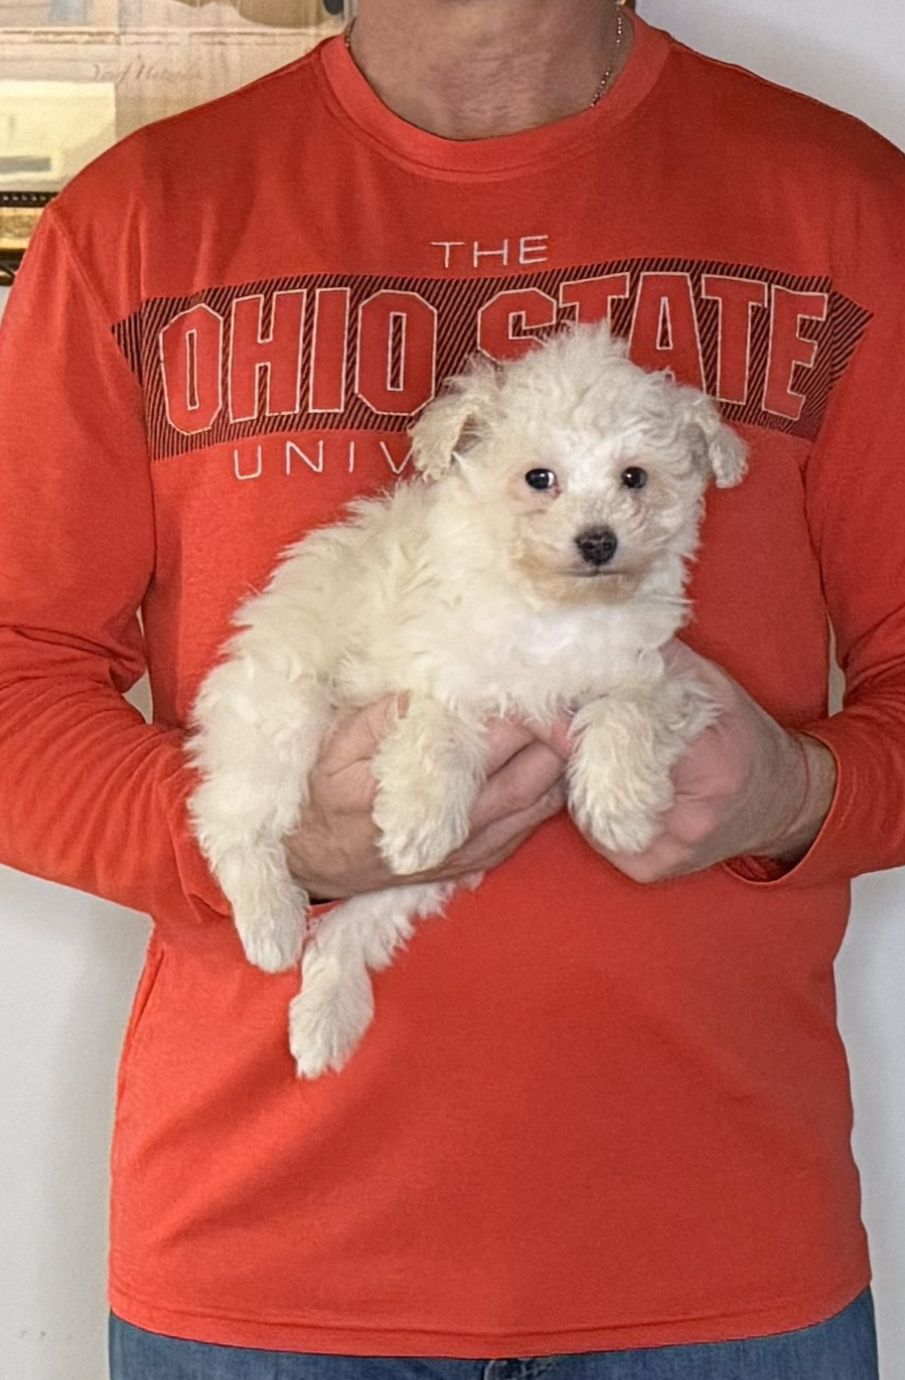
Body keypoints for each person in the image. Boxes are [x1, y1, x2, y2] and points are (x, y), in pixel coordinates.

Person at [0, 0, 901, 1375]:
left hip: (720, 1260)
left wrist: (800, 793)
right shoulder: (136, 223)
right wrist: (265, 838)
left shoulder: (841, 203)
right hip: (260, 1266)